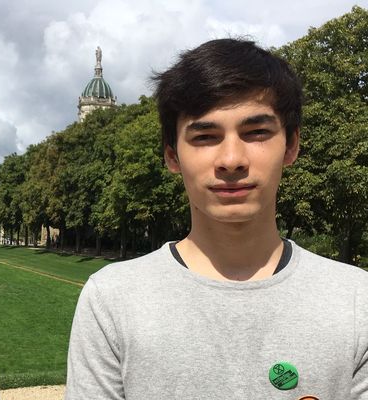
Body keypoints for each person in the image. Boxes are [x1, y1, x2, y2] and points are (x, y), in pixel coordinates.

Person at [65, 38, 368, 399]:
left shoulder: (356, 300)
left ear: (291, 145)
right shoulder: (110, 300)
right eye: (206, 136)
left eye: (256, 132)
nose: (231, 159)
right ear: (172, 156)